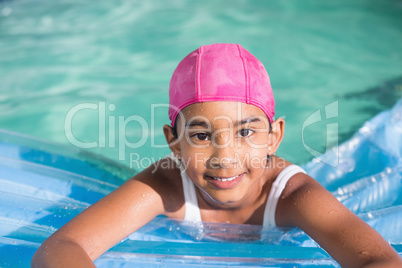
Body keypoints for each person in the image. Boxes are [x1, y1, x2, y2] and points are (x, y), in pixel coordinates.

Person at [31, 43, 402, 267]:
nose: (225, 157)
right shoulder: (164, 185)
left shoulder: (292, 195)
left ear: (275, 137)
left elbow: (381, 260)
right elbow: (60, 248)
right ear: (174, 143)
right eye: (201, 135)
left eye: (246, 131)